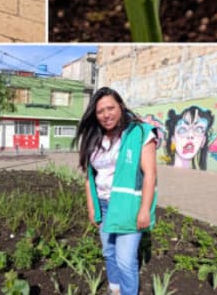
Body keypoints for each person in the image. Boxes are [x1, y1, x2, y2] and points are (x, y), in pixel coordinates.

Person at [74, 87, 158, 295]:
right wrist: (91, 207)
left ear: (120, 106)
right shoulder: (93, 137)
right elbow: (89, 177)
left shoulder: (139, 133)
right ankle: (115, 290)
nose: (106, 114)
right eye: (100, 111)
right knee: (109, 252)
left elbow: (150, 174)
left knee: (126, 260)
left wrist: (145, 210)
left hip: (128, 205)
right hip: (103, 204)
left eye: (110, 108)